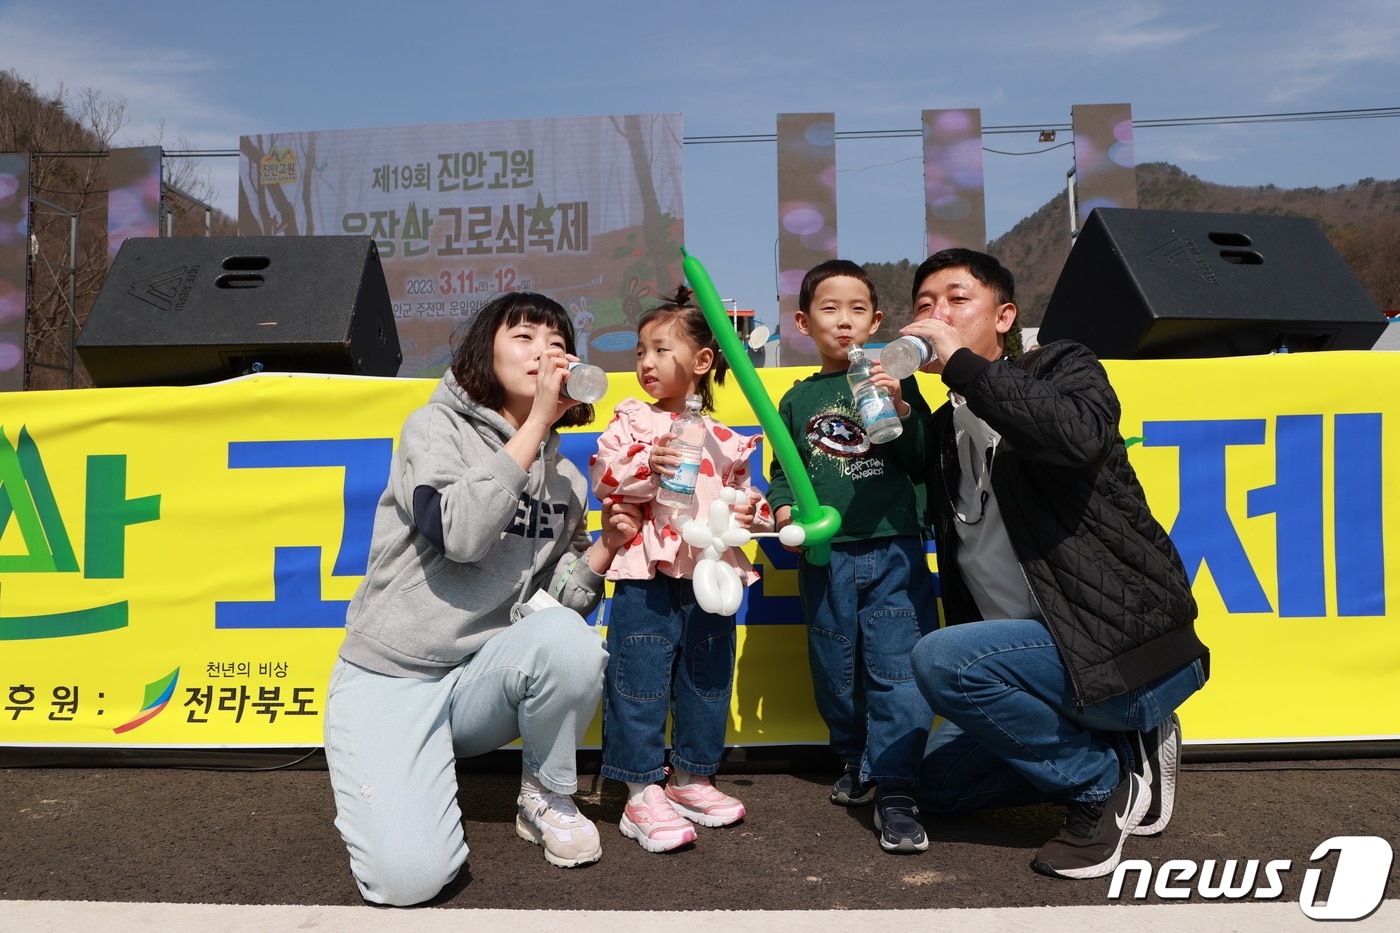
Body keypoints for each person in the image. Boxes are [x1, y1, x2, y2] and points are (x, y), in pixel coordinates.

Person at [899, 248, 1210, 880]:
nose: (937, 315)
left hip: (1112, 646)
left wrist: (961, 364)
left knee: (940, 659)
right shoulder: (941, 428)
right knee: (938, 789)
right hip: (1035, 662)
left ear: (1005, 316)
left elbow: (1079, 439)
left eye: (958, 300)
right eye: (924, 306)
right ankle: (1122, 752)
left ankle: (1097, 784)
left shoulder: (1064, 366)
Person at [323, 292, 643, 906]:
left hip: (479, 685)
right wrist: (536, 427)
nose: (543, 354)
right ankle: (384, 774)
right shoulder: (433, 427)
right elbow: (461, 537)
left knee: (571, 644)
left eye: (556, 343)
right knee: (408, 882)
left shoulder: (568, 479)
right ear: (484, 351)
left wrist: (602, 547)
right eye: (524, 337)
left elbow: (552, 611)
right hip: (394, 677)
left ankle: (544, 796)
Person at [590, 286, 772, 853]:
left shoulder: (726, 440)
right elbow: (608, 478)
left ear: (700, 362)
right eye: (640, 351)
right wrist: (650, 460)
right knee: (638, 678)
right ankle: (640, 789)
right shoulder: (630, 422)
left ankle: (693, 777)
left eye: (660, 350)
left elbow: (753, 504)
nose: (645, 362)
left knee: (708, 676)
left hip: (710, 575)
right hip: (645, 575)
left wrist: (749, 508)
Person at [766, 259, 938, 855]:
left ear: (878, 321)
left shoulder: (896, 378)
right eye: (830, 309)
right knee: (834, 667)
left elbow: (923, 459)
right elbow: (782, 475)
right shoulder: (796, 399)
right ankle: (854, 756)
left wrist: (906, 408)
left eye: (858, 309)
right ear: (802, 322)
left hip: (895, 547)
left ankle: (897, 786)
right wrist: (785, 513)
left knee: (897, 668)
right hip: (825, 557)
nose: (844, 321)